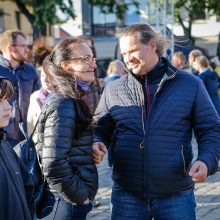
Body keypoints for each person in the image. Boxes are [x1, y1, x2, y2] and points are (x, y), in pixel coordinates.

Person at [92, 23, 220, 220]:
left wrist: (206, 161)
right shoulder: (113, 89)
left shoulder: (190, 84)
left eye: (133, 50)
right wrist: (97, 141)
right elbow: (100, 128)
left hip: (176, 194)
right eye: (124, 54)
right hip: (127, 194)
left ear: (152, 45)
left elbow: (211, 128)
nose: (128, 59)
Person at [35, 37, 98, 220]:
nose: (92, 63)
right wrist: (81, 197)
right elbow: (52, 163)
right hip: (64, 202)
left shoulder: (71, 98)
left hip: (67, 200)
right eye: (85, 58)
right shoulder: (63, 102)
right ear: (66, 66)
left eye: (92, 58)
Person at [0, 76, 34, 220]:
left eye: (7, 99)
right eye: (0, 102)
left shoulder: (4, 145)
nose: (8, 106)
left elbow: (28, 187)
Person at [0, 30, 41, 146]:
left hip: (29, 136)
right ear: (11, 48)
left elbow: (39, 98)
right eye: (23, 46)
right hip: (4, 138)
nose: (26, 49)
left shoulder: (30, 70)